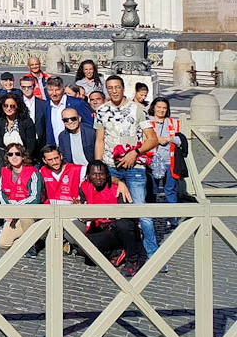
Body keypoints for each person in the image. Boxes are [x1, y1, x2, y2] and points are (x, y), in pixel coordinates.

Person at [94, 74, 159, 260]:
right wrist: (99, 167)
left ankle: (153, 253)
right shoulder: (102, 110)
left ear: (123, 89)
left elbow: (152, 139)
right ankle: (119, 249)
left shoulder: (137, 109)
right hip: (110, 166)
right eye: (110, 88)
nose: (114, 91)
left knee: (141, 210)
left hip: (134, 167)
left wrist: (135, 153)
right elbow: (100, 140)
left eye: (117, 87)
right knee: (110, 211)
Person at [79, 160, 142, 277]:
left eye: (101, 174)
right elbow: (83, 211)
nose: (98, 177)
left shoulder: (117, 188)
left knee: (123, 225)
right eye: (94, 174)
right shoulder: (84, 187)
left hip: (119, 228)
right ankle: (116, 253)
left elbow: (126, 215)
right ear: (88, 175)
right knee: (84, 250)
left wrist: (98, 215)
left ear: (107, 175)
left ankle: (132, 259)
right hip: (100, 228)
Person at [146, 97, 186, 219]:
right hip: (152, 161)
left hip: (170, 161)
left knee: (170, 189)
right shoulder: (147, 122)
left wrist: (169, 139)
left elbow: (181, 140)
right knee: (152, 190)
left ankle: (172, 217)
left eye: (164, 108)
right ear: (153, 108)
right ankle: (150, 217)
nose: (161, 110)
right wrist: (157, 139)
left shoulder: (173, 123)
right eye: (159, 107)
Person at [0, 143, 42, 252]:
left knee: (25, 217)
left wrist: (15, 210)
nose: (14, 157)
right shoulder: (5, 172)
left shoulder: (33, 173)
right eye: (10, 154)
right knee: (3, 243)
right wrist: (8, 210)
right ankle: (27, 241)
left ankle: (31, 245)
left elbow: (34, 198)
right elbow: (1, 192)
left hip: (29, 213)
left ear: (23, 156)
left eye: (17, 154)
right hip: (13, 213)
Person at [37, 76, 93, 145]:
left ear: (63, 90)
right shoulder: (46, 106)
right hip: (55, 147)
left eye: (57, 90)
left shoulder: (77, 103)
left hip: (76, 145)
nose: (54, 93)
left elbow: (89, 125)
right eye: (50, 90)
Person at [0, 93, 38, 166]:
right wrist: (8, 160)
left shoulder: (26, 121)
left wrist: (22, 160)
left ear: (17, 107)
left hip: (25, 161)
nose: (8, 108)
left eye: (12, 106)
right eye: (5, 106)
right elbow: (0, 146)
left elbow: (31, 145)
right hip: (7, 161)